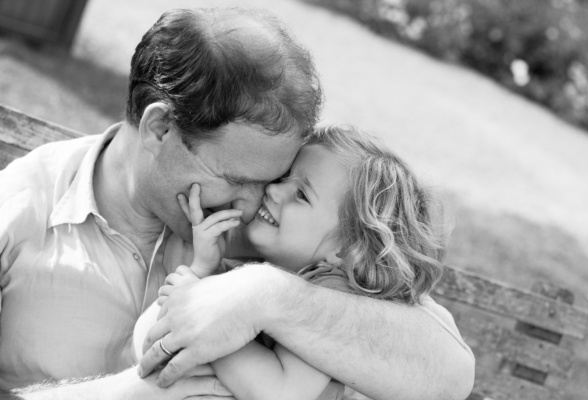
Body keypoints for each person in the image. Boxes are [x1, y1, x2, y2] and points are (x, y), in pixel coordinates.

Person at [0, 7, 474, 400]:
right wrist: (133, 393)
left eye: (279, 178)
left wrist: (266, 297)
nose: (255, 202)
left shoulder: (275, 235)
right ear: (160, 128)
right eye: (234, 179)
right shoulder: (21, 210)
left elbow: (448, 372)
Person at [134, 124, 474, 400]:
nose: (273, 191)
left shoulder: (335, 293)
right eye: (284, 178)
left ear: (345, 252)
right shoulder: (289, 268)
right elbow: (186, 316)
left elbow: (280, 392)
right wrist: (205, 270)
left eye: (301, 195)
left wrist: (208, 316)